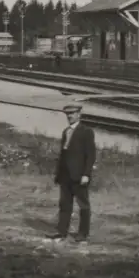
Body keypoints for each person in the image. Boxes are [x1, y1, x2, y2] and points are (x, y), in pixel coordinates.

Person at [50, 103, 96, 243]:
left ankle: (83, 235)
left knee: (83, 205)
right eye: (67, 114)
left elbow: (91, 155)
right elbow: (63, 156)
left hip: (79, 176)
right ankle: (61, 232)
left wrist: (86, 174)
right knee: (64, 204)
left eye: (72, 114)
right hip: (65, 176)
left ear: (79, 115)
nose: (69, 116)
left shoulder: (86, 131)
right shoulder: (66, 132)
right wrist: (58, 175)